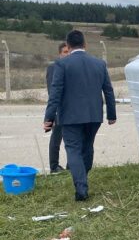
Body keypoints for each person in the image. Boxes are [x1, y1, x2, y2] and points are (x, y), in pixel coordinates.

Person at [43, 30, 116, 201]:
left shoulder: (62, 65)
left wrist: (49, 118)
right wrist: (111, 114)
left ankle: (81, 188)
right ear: (85, 44)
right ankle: (83, 176)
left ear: (67, 46)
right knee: (87, 147)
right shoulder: (99, 63)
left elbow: (55, 93)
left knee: (73, 150)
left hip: (70, 116)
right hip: (94, 115)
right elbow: (108, 91)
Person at [46, 42, 70, 174]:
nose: (67, 54)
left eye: (69, 52)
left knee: (71, 139)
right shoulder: (53, 68)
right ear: (60, 54)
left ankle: (71, 165)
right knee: (56, 138)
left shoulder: (72, 67)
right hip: (58, 109)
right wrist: (53, 111)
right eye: (65, 52)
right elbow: (52, 91)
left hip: (71, 110)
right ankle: (54, 166)